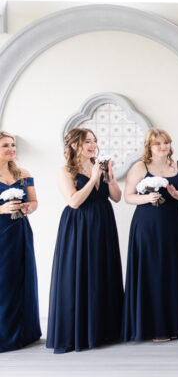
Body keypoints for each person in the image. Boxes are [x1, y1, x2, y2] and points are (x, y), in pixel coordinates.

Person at [47, 128, 123, 353]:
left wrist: (109, 176)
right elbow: (74, 201)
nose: (92, 145)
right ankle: (78, 332)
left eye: (94, 141)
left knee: (102, 271)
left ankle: (104, 331)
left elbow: (117, 197)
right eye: (87, 141)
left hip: (103, 223)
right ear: (73, 145)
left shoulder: (99, 166)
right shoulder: (65, 171)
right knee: (79, 274)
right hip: (79, 226)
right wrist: (92, 180)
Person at [123, 129, 178, 342]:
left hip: (174, 225)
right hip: (147, 227)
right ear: (149, 147)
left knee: (174, 270)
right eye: (157, 144)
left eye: (166, 143)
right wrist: (148, 198)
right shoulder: (140, 167)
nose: (163, 147)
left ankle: (177, 325)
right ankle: (154, 327)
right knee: (151, 271)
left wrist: (175, 194)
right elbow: (128, 197)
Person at [0, 131, 42, 352]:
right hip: (1, 233)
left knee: (22, 278)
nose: (11, 149)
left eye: (13, 145)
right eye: (5, 146)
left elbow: (34, 201)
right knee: (3, 282)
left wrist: (28, 208)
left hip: (20, 232)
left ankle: (25, 333)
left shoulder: (23, 173)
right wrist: (1, 208)